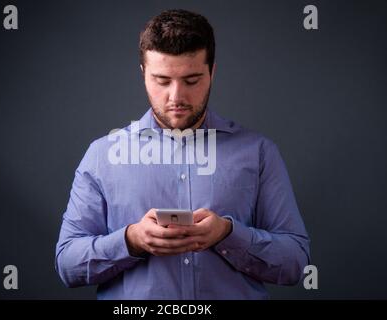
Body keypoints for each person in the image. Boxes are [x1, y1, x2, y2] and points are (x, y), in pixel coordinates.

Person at [55, 9, 310, 300]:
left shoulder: (259, 153)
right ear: (143, 74)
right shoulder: (102, 155)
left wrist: (229, 234)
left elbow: (295, 262)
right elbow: (67, 265)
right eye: (162, 80)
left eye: (191, 81)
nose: (176, 97)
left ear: (212, 72)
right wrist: (131, 240)